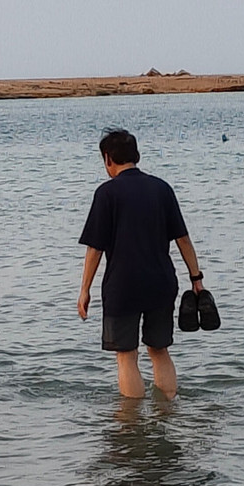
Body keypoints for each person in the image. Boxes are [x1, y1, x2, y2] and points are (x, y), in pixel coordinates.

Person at [77, 128, 206, 400]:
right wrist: (196, 278)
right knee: (159, 350)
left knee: (126, 356)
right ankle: (167, 409)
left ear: (107, 158)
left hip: (123, 286)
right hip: (161, 283)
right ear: (136, 155)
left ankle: (132, 424)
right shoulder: (162, 188)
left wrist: (84, 289)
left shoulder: (107, 194)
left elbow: (95, 249)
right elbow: (183, 239)